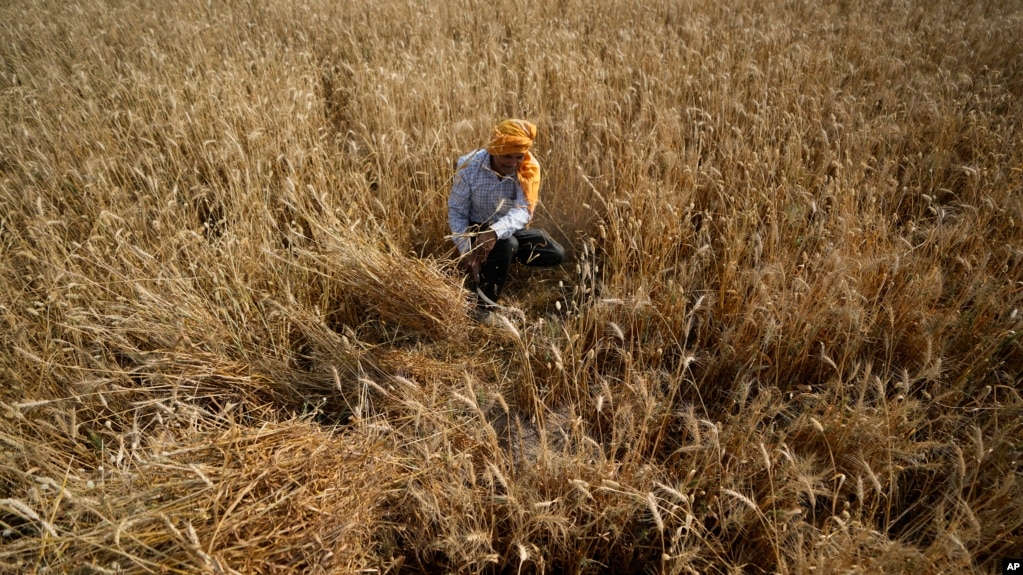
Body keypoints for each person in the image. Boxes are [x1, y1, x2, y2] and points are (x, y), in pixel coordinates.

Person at [448, 119, 565, 321]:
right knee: (507, 244)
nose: (512, 163)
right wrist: (466, 250)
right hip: (476, 227)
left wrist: (494, 232)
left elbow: (523, 212)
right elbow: (457, 212)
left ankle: (497, 261)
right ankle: (482, 308)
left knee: (554, 252)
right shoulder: (468, 166)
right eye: (507, 156)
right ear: (494, 150)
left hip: (507, 227)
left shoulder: (528, 168)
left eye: (518, 157)